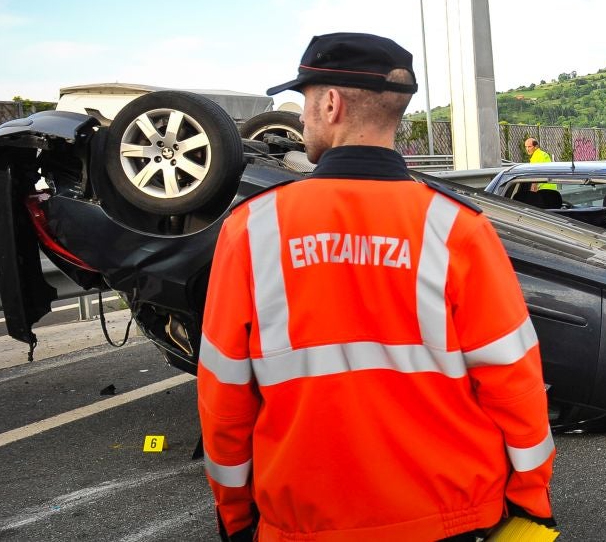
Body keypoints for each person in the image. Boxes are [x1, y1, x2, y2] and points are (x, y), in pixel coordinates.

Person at [198, 32, 554, 542]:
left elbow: (224, 396)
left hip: (305, 522)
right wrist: (531, 504)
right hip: (451, 517)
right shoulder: (457, 228)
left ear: (331, 103)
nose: (301, 118)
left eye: (303, 102)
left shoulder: (254, 230)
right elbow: (513, 383)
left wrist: (237, 515)